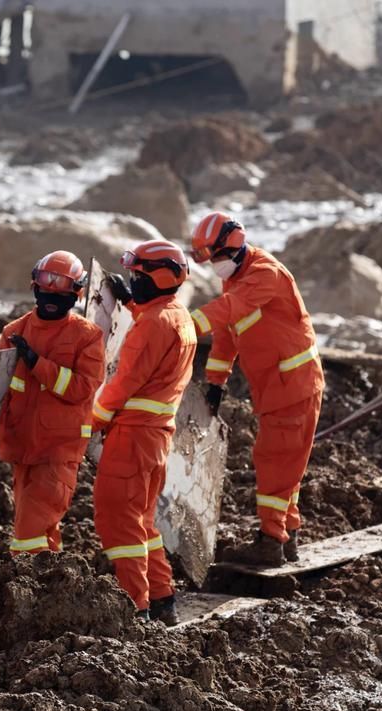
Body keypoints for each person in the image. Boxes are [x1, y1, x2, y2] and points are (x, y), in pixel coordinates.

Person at [189, 212, 324, 566]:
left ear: (232, 248)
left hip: (292, 386)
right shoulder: (235, 277)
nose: (214, 266)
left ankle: (270, 542)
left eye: (216, 257)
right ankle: (286, 535)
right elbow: (226, 334)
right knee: (286, 461)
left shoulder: (265, 274)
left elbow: (229, 309)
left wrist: (181, 327)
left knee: (275, 460)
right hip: (279, 386)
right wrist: (215, 382)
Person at [93, 240, 198, 625]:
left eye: (138, 275)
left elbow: (124, 382)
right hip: (155, 439)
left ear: (160, 278)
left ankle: (135, 608)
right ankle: (161, 597)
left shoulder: (153, 324)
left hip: (132, 438)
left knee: (118, 521)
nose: (133, 280)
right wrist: (130, 302)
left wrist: (90, 422)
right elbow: (158, 331)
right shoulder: (178, 316)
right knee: (142, 520)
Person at [0, 251, 105, 554]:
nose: (52, 297)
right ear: (35, 287)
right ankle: (51, 577)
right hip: (21, 447)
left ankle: (23, 577)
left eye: (61, 292)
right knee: (41, 528)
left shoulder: (87, 337)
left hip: (58, 451)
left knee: (28, 531)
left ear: (76, 294)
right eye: (47, 289)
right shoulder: (13, 333)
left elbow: (82, 388)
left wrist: (36, 362)